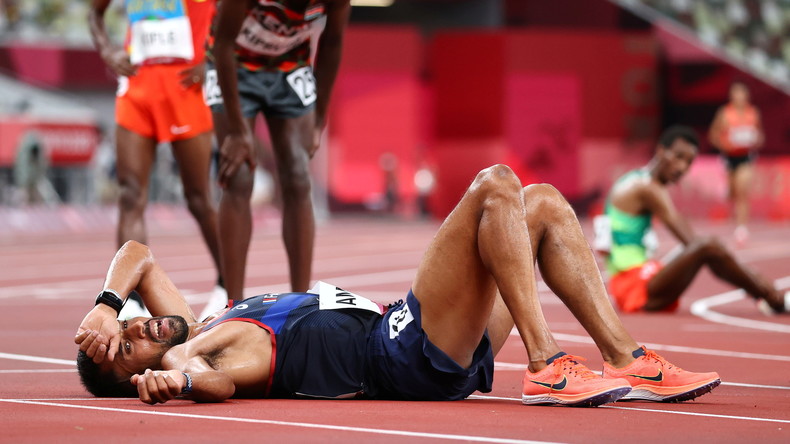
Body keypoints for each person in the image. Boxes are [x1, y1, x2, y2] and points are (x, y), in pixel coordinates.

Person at [75, 165, 721, 407]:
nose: (140, 327)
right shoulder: (197, 355)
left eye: (131, 324)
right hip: (400, 351)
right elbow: (208, 381)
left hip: (418, 342)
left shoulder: (199, 323)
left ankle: (628, 359)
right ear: (142, 372)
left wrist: (105, 310)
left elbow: (138, 255)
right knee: (495, 185)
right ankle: (548, 363)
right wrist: (175, 382)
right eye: (130, 347)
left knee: (544, 204)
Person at [203, 0, 351, 311]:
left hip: (288, 68)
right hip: (233, 64)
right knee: (238, 175)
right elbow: (224, 45)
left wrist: (319, 119)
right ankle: (234, 307)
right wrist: (238, 132)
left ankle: (301, 305)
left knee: (298, 176)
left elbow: (333, 41)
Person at [88, 0, 225, 318]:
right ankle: (131, 301)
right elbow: (95, 12)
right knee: (130, 194)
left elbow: (237, 14)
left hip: (185, 85)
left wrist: (212, 57)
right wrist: (108, 52)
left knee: (199, 198)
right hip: (138, 86)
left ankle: (228, 285)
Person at [598, 126, 788, 315]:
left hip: (630, 279)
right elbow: (692, 242)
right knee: (708, 246)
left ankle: (766, 295)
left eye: (688, 162)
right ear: (661, 151)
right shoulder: (648, 188)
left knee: (708, 248)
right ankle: (773, 297)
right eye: (678, 157)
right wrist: (749, 277)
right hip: (632, 285)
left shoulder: (635, 179)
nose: (682, 167)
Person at [708, 81, 764, 246]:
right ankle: (728, 188)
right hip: (729, 157)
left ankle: (742, 229)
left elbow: (760, 136)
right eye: (735, 94)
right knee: (733, 193)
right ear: (731, 96)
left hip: (746, 156)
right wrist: (724, 145)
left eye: (742, 93)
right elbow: (713, 134)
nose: (739, 97)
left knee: (742, 192)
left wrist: (756, 140)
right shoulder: (724, 113)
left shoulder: (753, 113)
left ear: (747, 95)